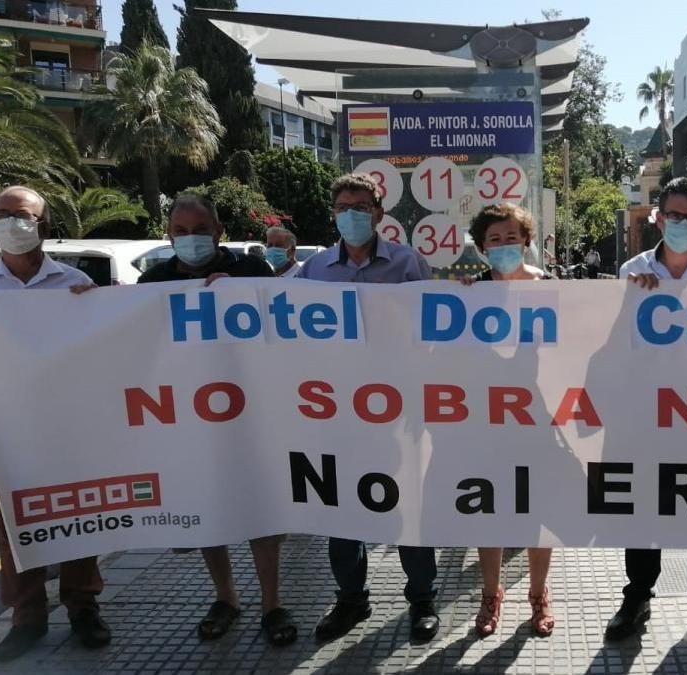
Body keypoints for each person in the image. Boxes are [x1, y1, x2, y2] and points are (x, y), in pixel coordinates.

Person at [137, 194, 296, 646]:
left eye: (200, 229)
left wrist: (238, 296)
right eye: (181, 230)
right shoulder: (154, 280)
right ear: (168, 234)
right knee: (210, 508)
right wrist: (84, 304)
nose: (191, 238)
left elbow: (280, 331)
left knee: (261, 508)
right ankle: (226, 597)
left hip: (252, 413)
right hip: (188, 416)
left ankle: (272, 603)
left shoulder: (251, 272)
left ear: (219, 230)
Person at [297, 173, 440, 643]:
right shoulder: (313, 271)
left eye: (360, 206)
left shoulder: (407, 263)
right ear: (333, 212)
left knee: (409, 508)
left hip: (398, 414)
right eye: (343, 206)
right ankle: (351, 600)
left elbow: (435, 330)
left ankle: (421, 600)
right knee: (343, 511)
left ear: (378, 213)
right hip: (336, 413)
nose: (351, 214)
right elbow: (274, 320)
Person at [0, 186, 107, 662]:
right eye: (2, 214)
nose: (11, 222)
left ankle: (82, 604)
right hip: (1, 430)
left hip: (68, 427)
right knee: (14, 521)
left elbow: (105, 350)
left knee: (79, 513)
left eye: (22, 215)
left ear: (43, 226)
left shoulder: (74, 284)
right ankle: (27, 616)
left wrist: (99, 310)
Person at [605, 177, 687, 651]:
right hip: (643, 415)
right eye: (674, 215)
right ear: (658, 218)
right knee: (642, 510)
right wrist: (632, 296)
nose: (683, 223)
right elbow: (612, 341)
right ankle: (637, 596)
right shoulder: (632, 270)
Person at [456, 203, 556, 638]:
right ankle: (492, 594)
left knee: (537, 512)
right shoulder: (471, 293)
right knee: (489, 512)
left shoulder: (552, 289)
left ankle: (538, 595)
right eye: (493, 240)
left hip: (541, 423)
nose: (503, 246)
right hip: (488, 422)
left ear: (526, 241)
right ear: (481, 248)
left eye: (511, 237)